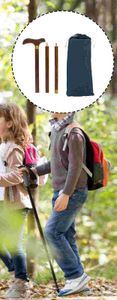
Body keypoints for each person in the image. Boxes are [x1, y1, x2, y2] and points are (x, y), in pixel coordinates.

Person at [32, 112, 90, 297]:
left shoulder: (74, 133)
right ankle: (78, 281)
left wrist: (66, 194)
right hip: (61, 191)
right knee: (66, 234)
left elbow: (75, 166)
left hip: (72, 191)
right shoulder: (57, 130)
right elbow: (56, 163)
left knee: (51, 232)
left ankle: (75, 275)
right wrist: (34, 171)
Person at [0, 103, 32, 298]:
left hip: (16, 203)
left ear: (10, 123)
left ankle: (22, 283)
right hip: (3, 202)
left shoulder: (14, 148)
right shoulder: (3, 145)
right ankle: (16, 273)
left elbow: (17, 175)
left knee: (14, 242)